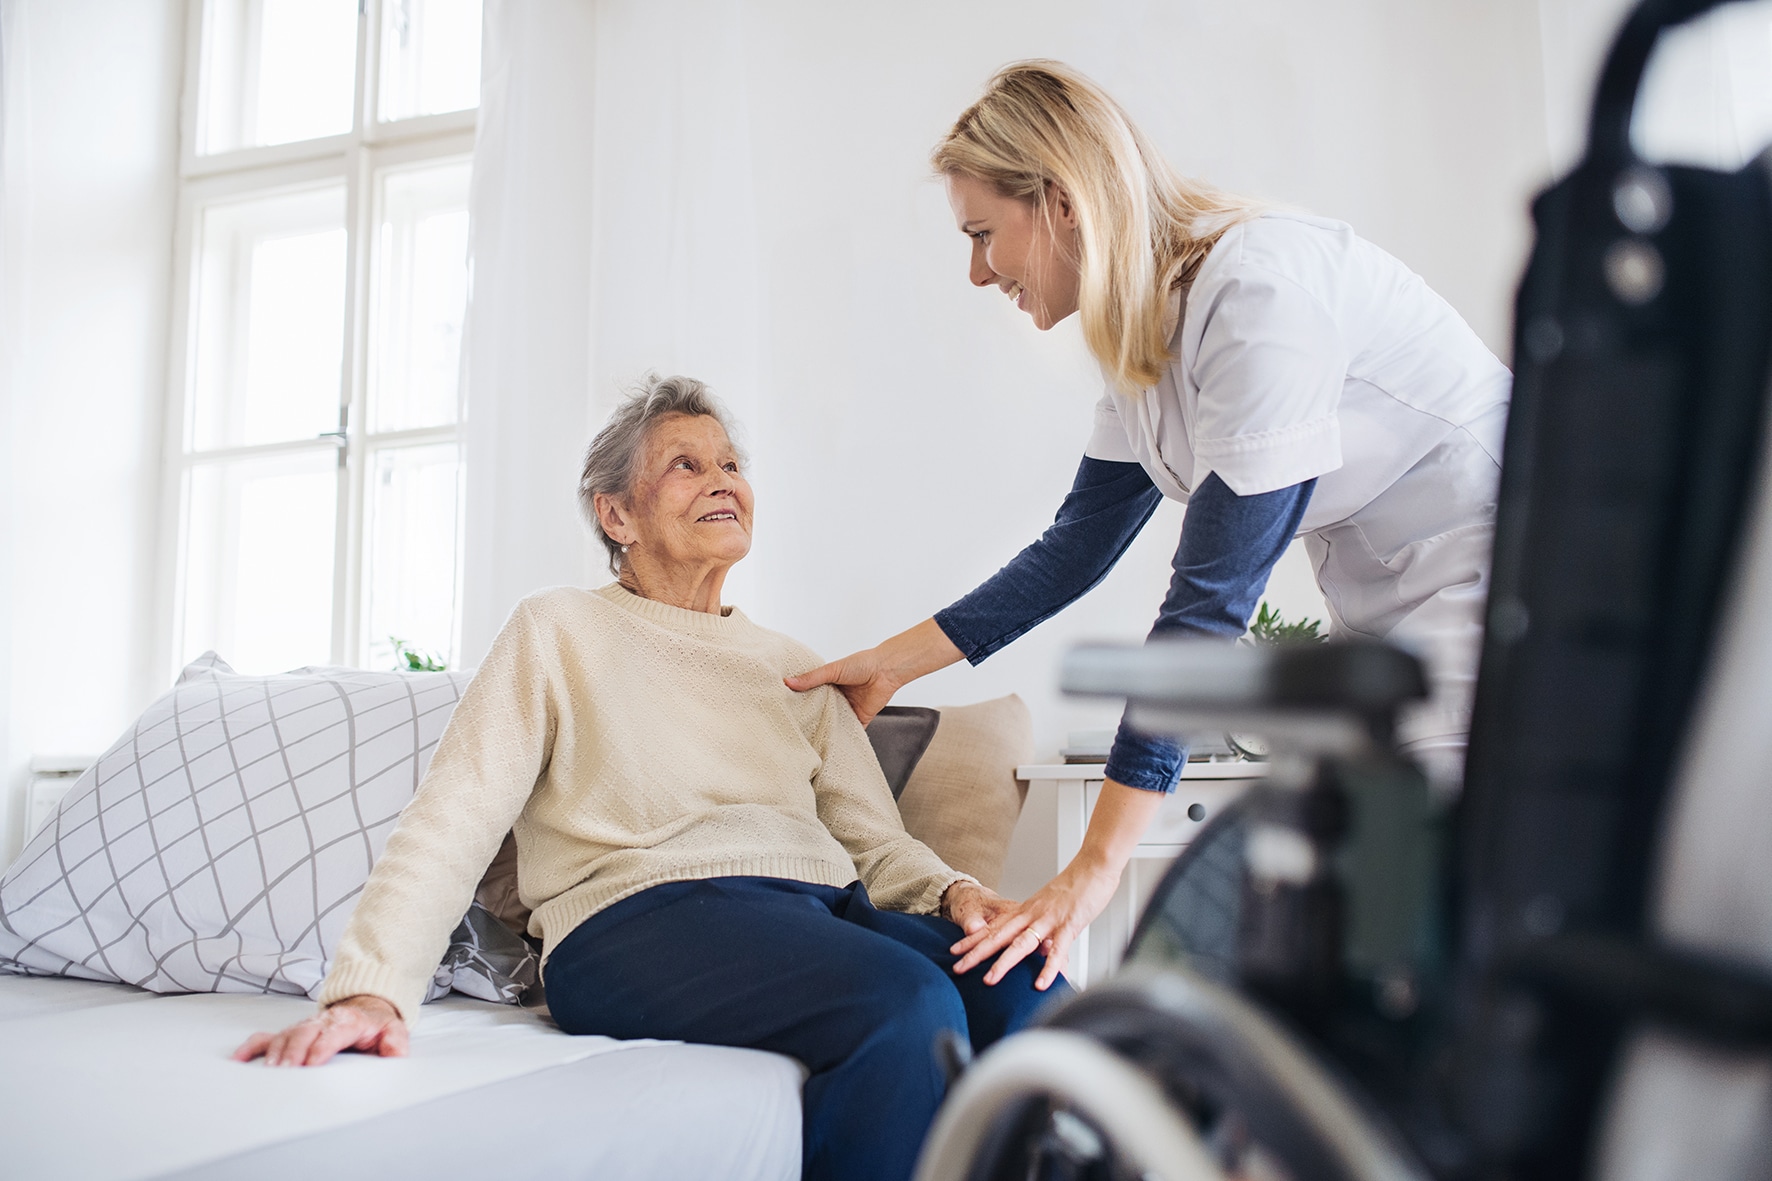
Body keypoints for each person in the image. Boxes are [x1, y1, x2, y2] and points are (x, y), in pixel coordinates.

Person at [788, 60, 1511, 994]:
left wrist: (1093, 872)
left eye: (981, 236)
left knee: (1400, 940)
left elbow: (1206, 612)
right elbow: (1074, 549)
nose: (976, 273)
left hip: (1493, 607)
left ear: (1057, 201)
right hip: (1388, 613)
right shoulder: (1144, 335)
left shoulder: (1259, 300)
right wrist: (891, 663)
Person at [234, 375, 1063, 1181]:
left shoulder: (795, 668)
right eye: (686, 464)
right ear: (617, 513)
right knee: (908, 1005)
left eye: (732, 464)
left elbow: (876, 844)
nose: (723, 482)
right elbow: (457, 810)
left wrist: (956, 892)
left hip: (816, 909)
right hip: (633, 920)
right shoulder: (558, 630)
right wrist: (371, 990)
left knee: (1033, 991)